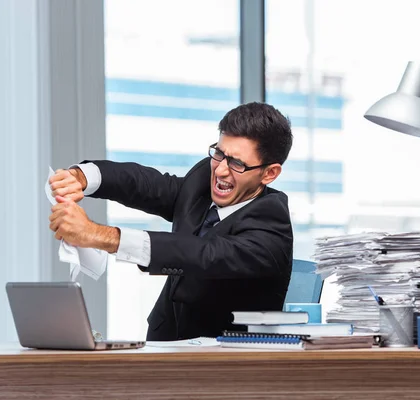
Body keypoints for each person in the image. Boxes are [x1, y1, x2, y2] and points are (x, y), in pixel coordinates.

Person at [48, 102, 294, 341]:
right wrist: (81, 177)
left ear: (269, 173)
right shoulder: (202, 182)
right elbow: (147, 185)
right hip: (163, 347)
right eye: (219, 153)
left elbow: (202, 254)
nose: (220, 171)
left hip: (227, 368)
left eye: (237, 163)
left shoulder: (272, 227)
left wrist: (98, 235)